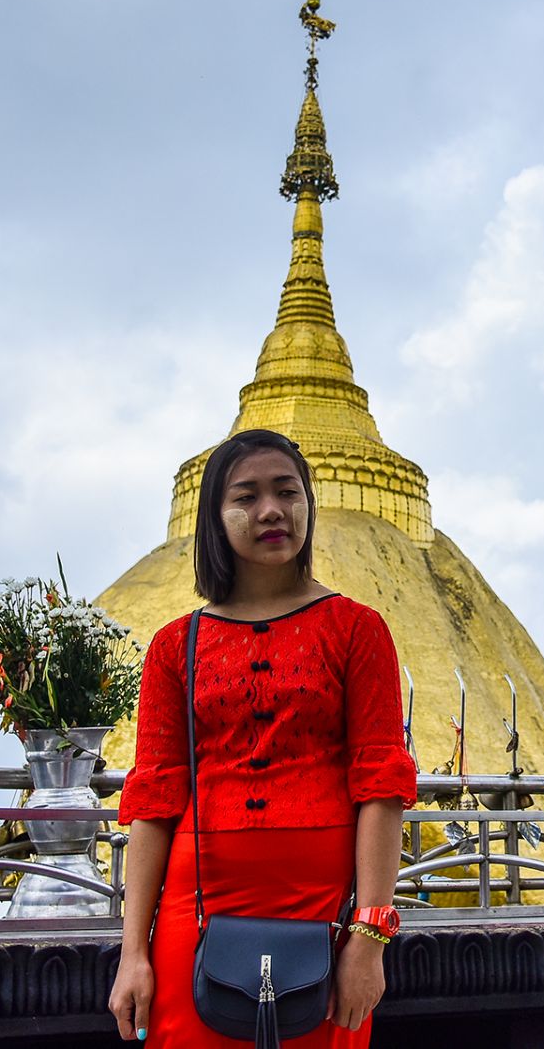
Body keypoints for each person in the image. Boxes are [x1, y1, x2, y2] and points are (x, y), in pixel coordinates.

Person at [107, 428, 417, 1045]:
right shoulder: (176, 644)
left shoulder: (357, 630)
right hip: (195, 899)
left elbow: (381, 783)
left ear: (309, 505)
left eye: (287, 492)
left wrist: (370, 937)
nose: (271, 510)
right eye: (245, 497)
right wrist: (131, 953)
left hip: (322, 902)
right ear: (215, 519)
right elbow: (155, 796)